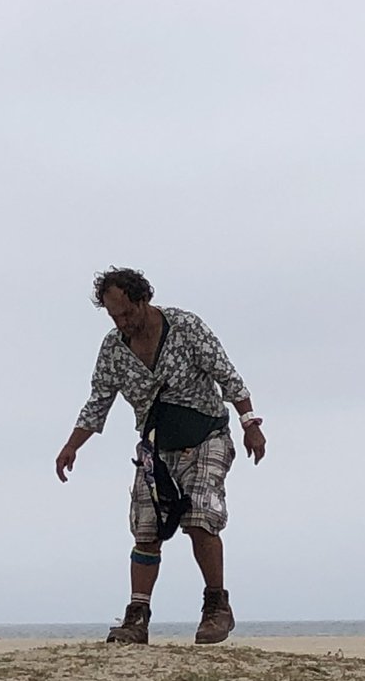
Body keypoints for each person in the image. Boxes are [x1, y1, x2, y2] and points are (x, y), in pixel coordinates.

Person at [56, 268, 266, 645]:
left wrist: (250, 423)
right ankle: (136, 617)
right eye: (112, 316)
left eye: (125, 313)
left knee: (200, 517)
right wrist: (72, 445)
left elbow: (228, 376)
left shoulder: (185, 327)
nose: (121, 322)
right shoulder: (113, 349)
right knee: (146, 529)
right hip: (156, 449)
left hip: (207, 438)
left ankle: (216, 607)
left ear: (142, 300)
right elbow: (98, 401)